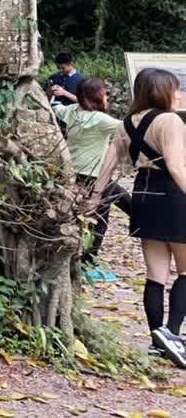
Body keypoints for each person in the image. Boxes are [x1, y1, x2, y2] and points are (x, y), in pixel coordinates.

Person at [93, 66, 186, 368]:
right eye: (175, 88)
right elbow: (176, 167)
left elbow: (106, 167)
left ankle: (157, 339)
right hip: (174, 196)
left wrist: (92, 200)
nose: (178, 94)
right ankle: (171, 334)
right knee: (185, 272)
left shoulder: (124, 124)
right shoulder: (169, 120)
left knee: (155, 273)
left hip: (144, 196)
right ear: (161, 91)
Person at [53, 77, 129, 281]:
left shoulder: (71, 112)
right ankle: (87, 264)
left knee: (94, 217)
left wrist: (58, 96)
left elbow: (56, 107)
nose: (107, 97)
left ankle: (85, 261)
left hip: (75, 172)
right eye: (105, 93)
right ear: (98, 96)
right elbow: (130, 128)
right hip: (95, 177)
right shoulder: (101, 120)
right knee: (102, 220)